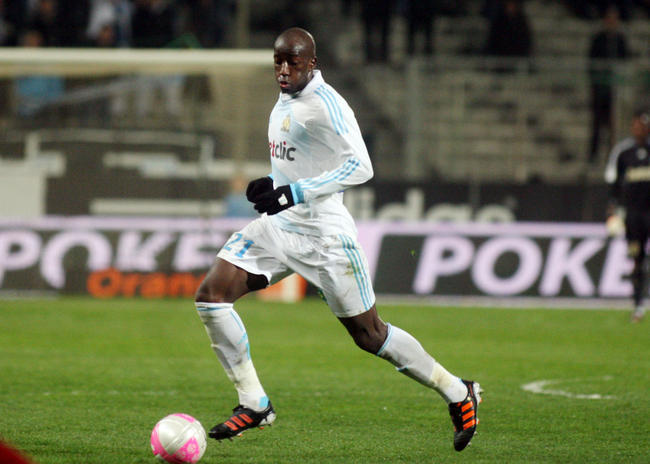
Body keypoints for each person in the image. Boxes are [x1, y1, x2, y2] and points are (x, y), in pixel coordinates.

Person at [194, 27, 483, 452]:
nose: (283, 69)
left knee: (371, 335)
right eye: (278, 61)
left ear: (312, 63)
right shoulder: (285, 97)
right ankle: (254, 404)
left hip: (325, 236)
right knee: (211, 297)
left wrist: (293, 192)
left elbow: (361, 166)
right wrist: (272, 183)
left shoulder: (327, 104)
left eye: (293, 62)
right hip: (279, 227)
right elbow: (301, 159)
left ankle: (458, 391)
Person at [604, 107, 650, 322]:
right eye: (636, 125)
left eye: (643, 126)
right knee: (636, 259)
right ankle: (638, 304)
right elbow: (613, 184)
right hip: (633, 216)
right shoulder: (623, 153)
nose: (639, 129)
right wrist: (612, 211)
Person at [587, 5, 629, 164]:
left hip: (615, 89)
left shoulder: (620, 40)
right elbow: (591, 62)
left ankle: (613, 155)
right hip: (600, 89)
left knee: (614, 124)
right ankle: (593, 155)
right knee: (597, 122)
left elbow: (626, 60)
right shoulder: (598, 39)